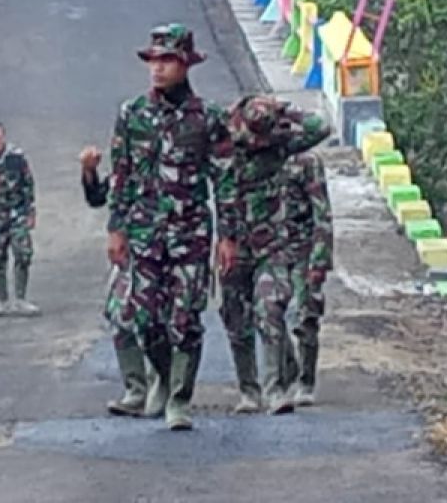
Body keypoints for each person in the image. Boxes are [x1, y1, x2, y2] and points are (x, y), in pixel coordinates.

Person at [107, 23, 233, 431]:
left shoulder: (208, 118)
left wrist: (227, 237)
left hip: (191, 234)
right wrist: (117, 228)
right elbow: (121, 175)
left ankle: (180, 398)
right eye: (154, 60)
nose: (157, 69)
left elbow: (224, 179)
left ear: (185, 65)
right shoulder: (133, 115)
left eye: (167, 61)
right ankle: (160, 374)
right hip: (144, 232)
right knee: (144, 319)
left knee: (186, 319)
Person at [216, 95, 330, 415]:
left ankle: (274, 390)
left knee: (270, 308)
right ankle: (248, 390)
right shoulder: (230, 147)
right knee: (235, 317)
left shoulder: (283, 149)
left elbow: (321, 127)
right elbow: (221, 192)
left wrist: (282, 108)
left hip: (275, 246)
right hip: (237, 243)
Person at [80, 146, 165, 419]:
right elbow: (97, 197)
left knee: (154, 319)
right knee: (119, 315)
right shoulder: (125, 173)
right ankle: (135, 389)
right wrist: (89, 170)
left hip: (163, 251)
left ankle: (160, 386)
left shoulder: (170, 167)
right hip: (129, 253)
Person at [283, 149, 334, 406]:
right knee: (268, 313)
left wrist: (320, 259)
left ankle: (306, 380)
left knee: (305, 313)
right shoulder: (256, 156)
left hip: (304, 248)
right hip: (271, 248)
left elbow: (322, 213)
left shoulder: (306, 161)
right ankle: (287, 369)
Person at [0, 118, 39, 318]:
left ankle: (21, 298)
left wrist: (30, 211)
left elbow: (27, 184)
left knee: (23, 253)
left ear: (2, 134)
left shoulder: (16, 157)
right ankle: (2, 300)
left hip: (17, 213)